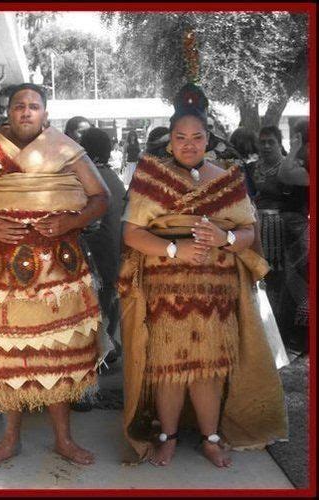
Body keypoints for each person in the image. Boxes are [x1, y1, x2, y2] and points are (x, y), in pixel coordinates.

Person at [118, 83, 287, 468]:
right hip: (166, 289)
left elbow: (248, 231)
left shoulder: (227, 178)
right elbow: (132, 233)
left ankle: (211, 439)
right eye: (180, 138)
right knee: (168, 368)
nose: (189, 144)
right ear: (170, 141)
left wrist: (225, 236)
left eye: (196, 137)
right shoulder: (149, 176)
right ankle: (169, 436)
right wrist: (174, 249)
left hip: (216, 291)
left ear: (208, 139)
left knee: (208, 369)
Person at [0, 83, 110, 467]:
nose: (26, 112)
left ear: (45, 114)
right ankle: (10, 440)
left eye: (34, 106)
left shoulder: (65, 148)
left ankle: (64, 440)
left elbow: (101, 198)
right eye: (20, 106)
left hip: (57, 269)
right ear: (9, 111)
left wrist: (72, 220)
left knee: (57, 350)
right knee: (6, 353)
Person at [80, 128, 126, 362]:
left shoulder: (88, 181)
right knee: (109, 304)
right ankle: (107, 348)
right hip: (115, 256)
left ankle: (102, 352)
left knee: (99, 309)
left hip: (97, 259)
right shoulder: (114, 179)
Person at [248, 126, 288, 324]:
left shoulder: (289, 167)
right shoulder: (252, 167)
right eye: (262, 142)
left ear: (279, 143)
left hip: (283, 227)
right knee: (258, 271)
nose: (265, 146)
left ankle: (280, 321)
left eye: (270, 142)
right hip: (256, 226)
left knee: (279, 274)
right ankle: (261, 320)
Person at [277, 119, 309, 353]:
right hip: (300, 227)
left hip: (304, 228)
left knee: (300, 281)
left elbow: (285, 174)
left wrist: (294, 150)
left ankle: (300, 335)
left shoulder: (305, 160)